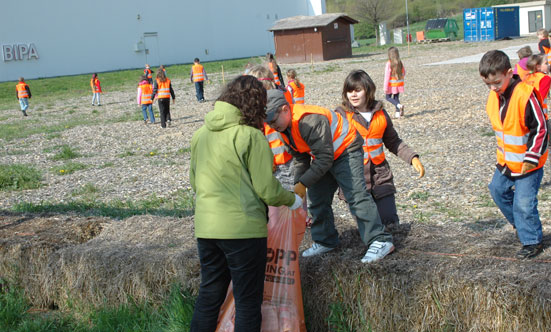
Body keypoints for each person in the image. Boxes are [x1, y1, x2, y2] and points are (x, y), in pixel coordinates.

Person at [189, 75, 303, 332]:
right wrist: (292, 200)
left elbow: (195, 183)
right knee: (248, 302)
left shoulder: (200, 135)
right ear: (256, 105)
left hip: (206, 230)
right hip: (243, 232)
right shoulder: (251, 137)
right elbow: (267, 190)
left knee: (209, 296)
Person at [265, 89, 394, 263]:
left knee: (356, 195)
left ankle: (380, 240)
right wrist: (298, 185)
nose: (272, 126)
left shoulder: (308, 120)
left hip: (347, 150)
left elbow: (325, 159)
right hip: (325, 155)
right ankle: (325, 240)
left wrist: (303, 183)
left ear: (285, 109)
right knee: (317, 197)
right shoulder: (284, 128)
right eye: (269, 122)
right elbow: (300, 158)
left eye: (273, 120)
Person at [479, 50, 548, 259]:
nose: (493, 88)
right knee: (497, 190)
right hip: (507, 161)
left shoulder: (525, 94)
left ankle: (532, 241)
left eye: (497, 83)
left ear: (510, 73)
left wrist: (531, 158)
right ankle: (521, 225)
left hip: (528, 163)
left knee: (524, 203)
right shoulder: (494, 97)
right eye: (488, 84)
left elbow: (542, 129)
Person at [339, 70, 425, 226]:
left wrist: (412, 158)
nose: (353, 94)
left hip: (381, 176)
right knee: (368, 225)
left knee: (389, 221)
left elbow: (393, 142)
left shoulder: (380, 114)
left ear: (368, 90)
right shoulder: (341, 116)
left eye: (358, 90)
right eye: (349, 91)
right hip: (354, 180)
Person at [248, 64, 295, 190]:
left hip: (282, 158)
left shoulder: (263, 105)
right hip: (286, 157)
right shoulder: (284, 95)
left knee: (286, 196)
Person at [384, 47, 405, 119]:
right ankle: (397, 113)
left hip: (391, 85)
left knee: (388, 97)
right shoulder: (400, 63)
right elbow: (404, 73)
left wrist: (385, 87)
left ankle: (399, 105)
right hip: (399, 84)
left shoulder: (389, 63)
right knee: (396, 97)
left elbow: (387, 77)